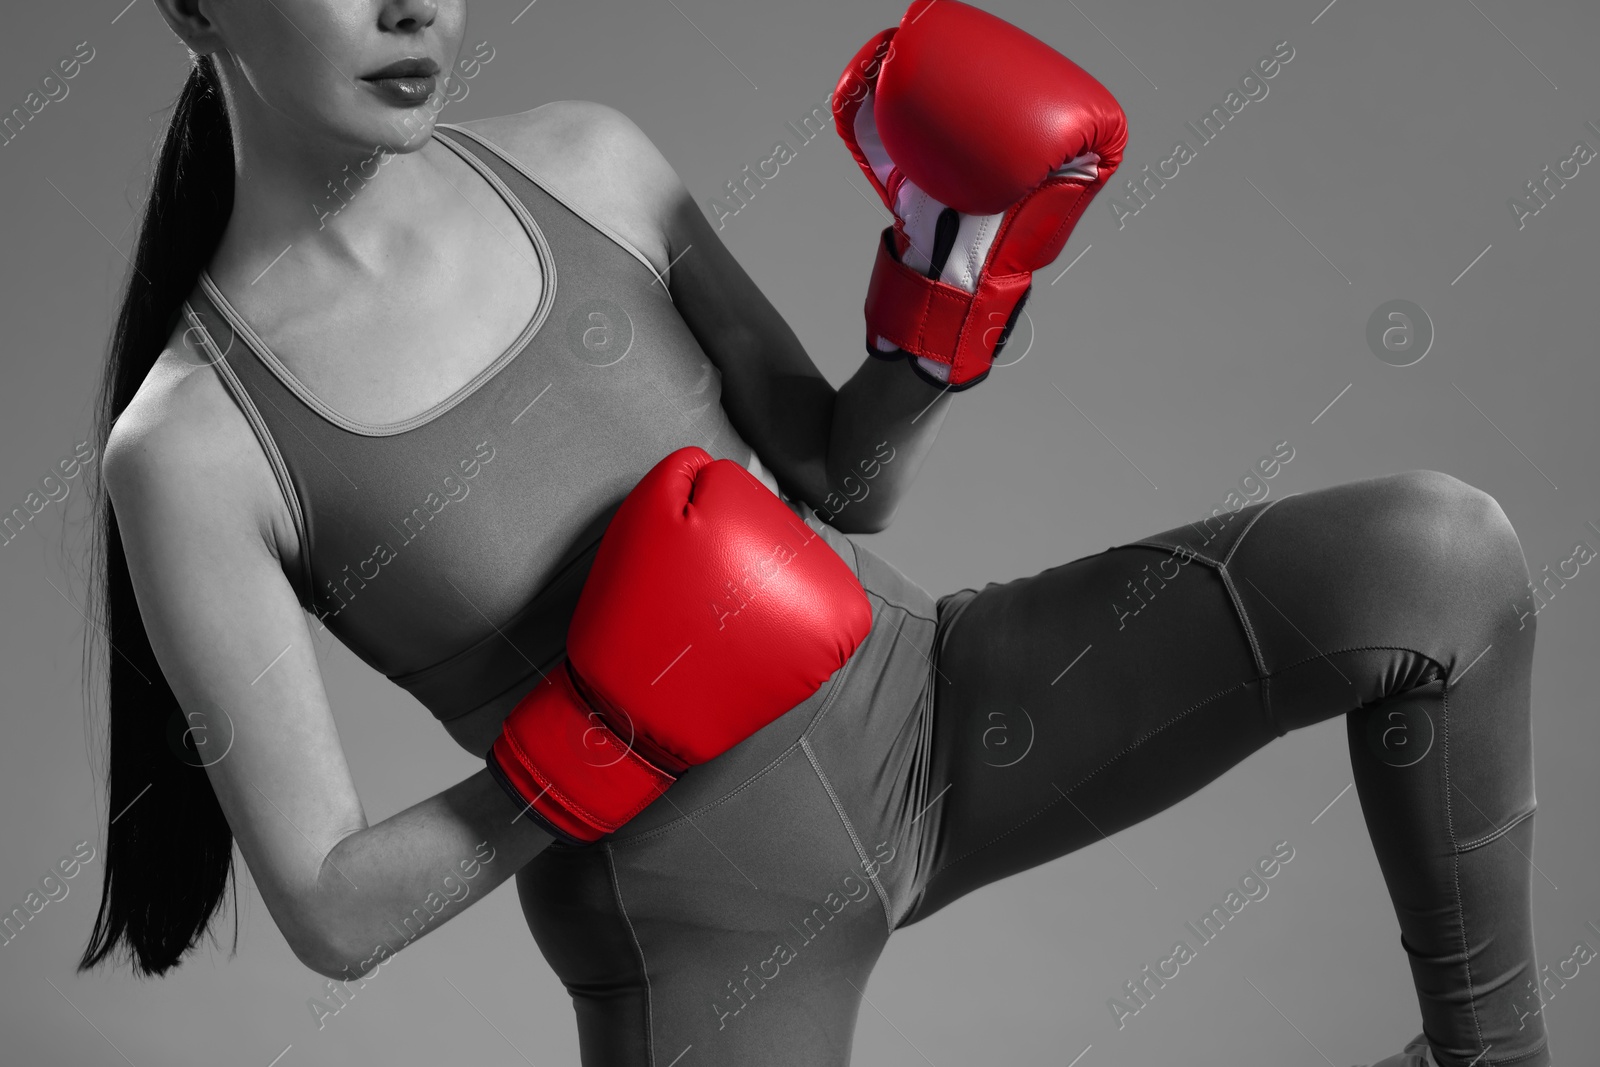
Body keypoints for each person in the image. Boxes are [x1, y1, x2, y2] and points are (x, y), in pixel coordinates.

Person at [76, 2, 1551, 1066]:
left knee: (1440, 562)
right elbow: (334, 909)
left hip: (932, 709)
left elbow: (842, 485)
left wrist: (935, 294)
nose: (416, 8)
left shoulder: (587, 162)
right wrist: (606, 734)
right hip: (698, 914)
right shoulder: (194, 446)